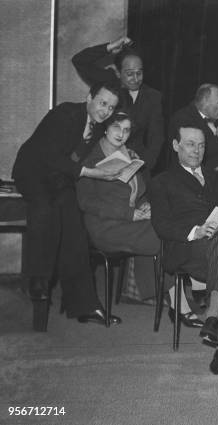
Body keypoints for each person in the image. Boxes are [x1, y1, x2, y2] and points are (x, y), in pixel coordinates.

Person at [12, 81, 124, 329]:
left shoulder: (97, 126)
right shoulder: (65, 113)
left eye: (111, 107)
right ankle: (39, 281)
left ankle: (84, 305)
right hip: (32, 171)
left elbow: (74, 160)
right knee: (44, 210)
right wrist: (91, 173)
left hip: (58, 178)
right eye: (102, 103)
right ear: (89, 97)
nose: (105, 110)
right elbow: (49, 156)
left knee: (75, 228)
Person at [149, 126, 218, 345]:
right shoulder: (162, 181)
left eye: (202, 145)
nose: (197, 151)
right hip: (188, 249)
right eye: (191, 144)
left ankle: (214, 318)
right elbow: (161, 225)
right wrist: (196, 232)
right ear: (176, 146)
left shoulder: (217, 176)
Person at [76, 111, 160, 305]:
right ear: (105, 128)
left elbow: (138, 193)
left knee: (163, 226)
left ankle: (154, 292)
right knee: (162, 232)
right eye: (116, 127)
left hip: (129, 221)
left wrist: (144, 205)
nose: (121, 134)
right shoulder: (90, 158)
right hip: (104, 225)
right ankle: (170, 297)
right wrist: (130, 213)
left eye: (127, 130)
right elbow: (86, 202)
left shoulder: (129, 155)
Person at [72, 36, 164, 171]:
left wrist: (143, 166)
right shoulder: (108, 84)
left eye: (139, 73)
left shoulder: (153, 97)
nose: (135, 79)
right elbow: (79, 61)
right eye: (129, 74)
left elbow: (156, 138)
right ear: (118, 72)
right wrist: (109, 47)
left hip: (136, 163)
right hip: (99, 160)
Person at [168, 84, 218, 205]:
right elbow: (195, 153)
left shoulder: (213, 119)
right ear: (205, 102)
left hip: (216, 183)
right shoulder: (184, 118)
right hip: (192, 186)